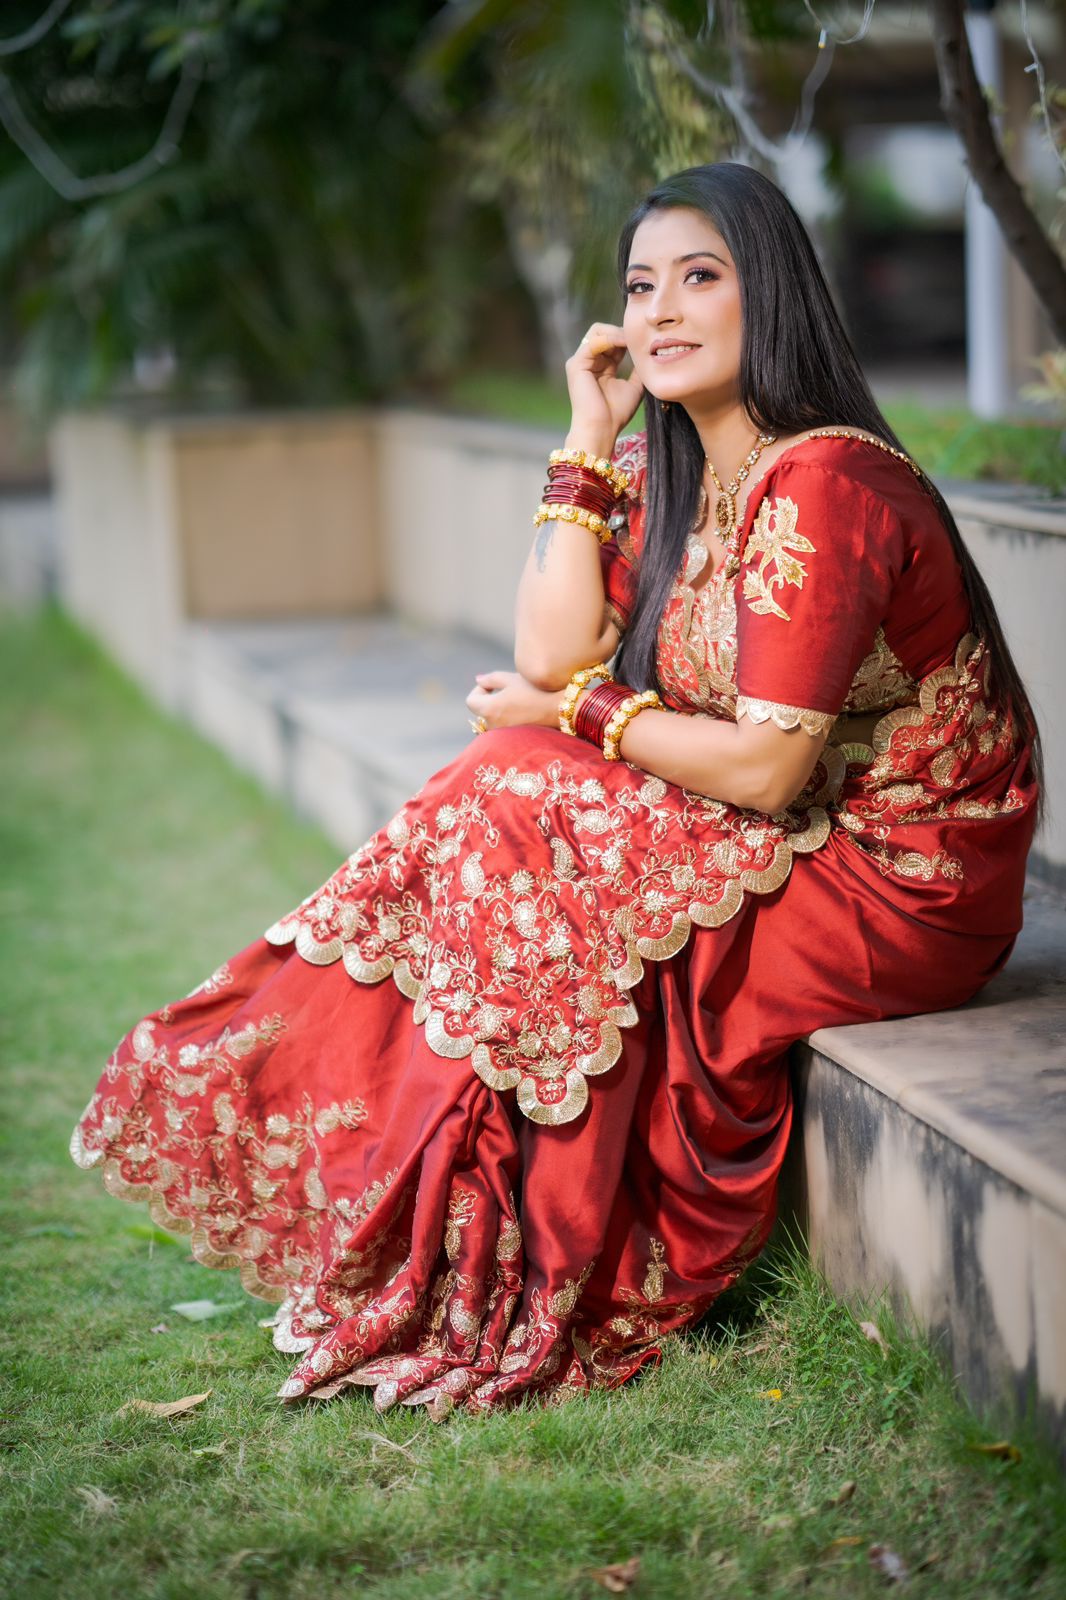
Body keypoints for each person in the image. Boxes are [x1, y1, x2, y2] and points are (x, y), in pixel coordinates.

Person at [70, 162, 1041, 1420]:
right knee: (510, 784)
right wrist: (585, 436)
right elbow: (544, 652)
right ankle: (458, 1214)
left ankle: (500, 1229)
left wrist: (577, 712)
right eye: (641, 287)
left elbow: (752, 761)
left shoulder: (825, 485)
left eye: (702, 278)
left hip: (900, 873)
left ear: (776, 294)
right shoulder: (685, 465)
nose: (662, 312)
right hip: (789, 826)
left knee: (520, 791)